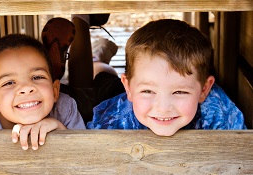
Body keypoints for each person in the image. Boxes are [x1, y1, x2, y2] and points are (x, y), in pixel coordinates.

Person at [86, 19, 247, 136]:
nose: (163, 108)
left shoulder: (219, 112)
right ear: (128, 87)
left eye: (179, 92)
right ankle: (99, 56)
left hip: (135, 87)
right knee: (101, 72)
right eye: (148, 91)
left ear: (204, 89)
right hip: (110, 91)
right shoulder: (110, 121)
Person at [0, 34, 86, 150]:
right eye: (9, 83)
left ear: (54, 91)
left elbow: (85, 157)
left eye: (37, 77)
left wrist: (61, 130)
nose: (26, 88)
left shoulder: (64, 108)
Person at [42, 16, 124, 124]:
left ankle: (82, 21)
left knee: (93, 89)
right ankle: (97, 57)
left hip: (77, 102)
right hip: (110, 99)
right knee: (103, 77)